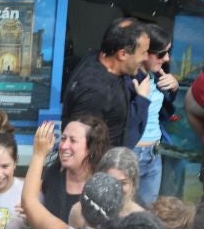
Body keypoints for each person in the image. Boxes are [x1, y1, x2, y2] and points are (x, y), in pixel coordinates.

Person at [63, 19, 149, 149]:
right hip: (100, 166)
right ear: (122, 54)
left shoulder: (98, 58)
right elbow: (82, 149)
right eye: (143, 53)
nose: (146, 58)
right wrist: (141, 101)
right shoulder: (96, 93)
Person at [134, 24, 177, 204]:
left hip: (154, 151)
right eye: (161, 54)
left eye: (168, 52)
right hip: (132, 153)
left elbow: (163, 108)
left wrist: (173, 87)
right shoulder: (130, 79)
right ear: (144, 52)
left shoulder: (157, 75)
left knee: (148, 213)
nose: (166, 58)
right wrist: (139, 99)